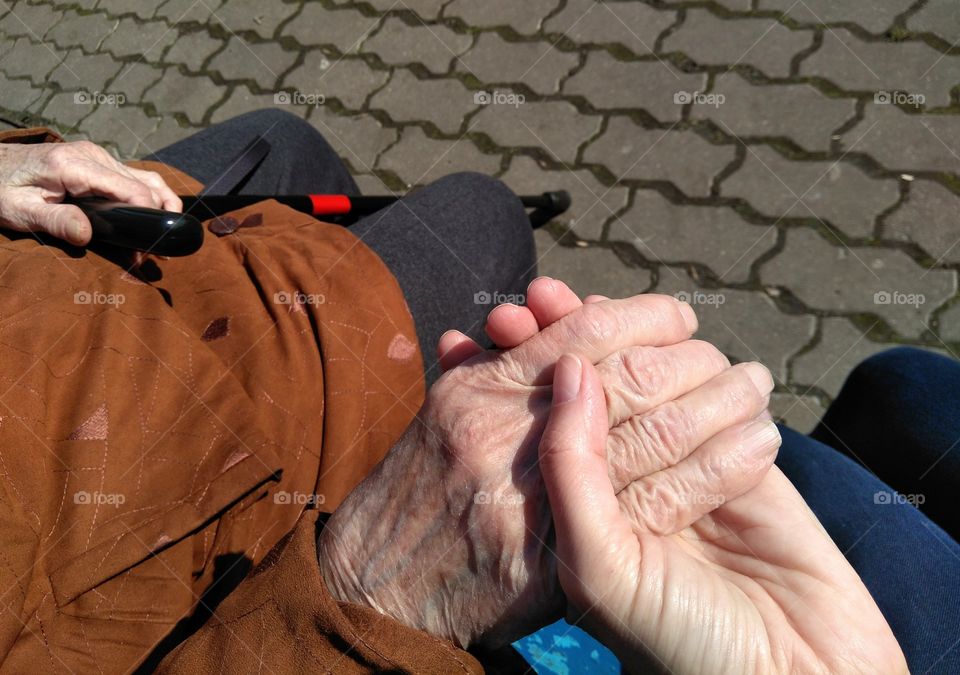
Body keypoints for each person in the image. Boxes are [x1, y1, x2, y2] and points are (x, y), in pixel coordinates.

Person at [0, 109, 948, 673]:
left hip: (102, 260)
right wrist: (359, 606)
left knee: (282, 138)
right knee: (895, 402)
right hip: (208, 464)